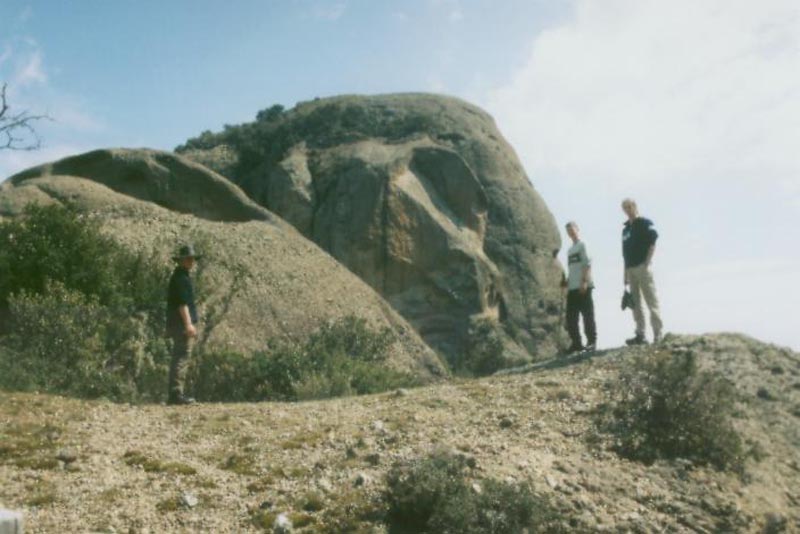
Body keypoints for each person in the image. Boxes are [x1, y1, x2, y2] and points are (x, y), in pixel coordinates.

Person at [621, 198, 662, 345]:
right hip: (630, 269)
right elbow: (624, 254)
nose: (627, 210)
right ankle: (640, 334)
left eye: (629, 206)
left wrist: (647, 261)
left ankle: (658, 334)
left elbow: (653, 240)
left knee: (651, 300)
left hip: (642, 267)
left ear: (635, 206)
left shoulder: (645, 223)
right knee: (635, 304)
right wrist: (625, 274)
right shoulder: (625, 229)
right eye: (625, 208)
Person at [166, 244, 201, 405]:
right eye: (188, 258)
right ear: (181, 260)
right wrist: (188, 324)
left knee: (179, 356)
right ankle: (176, 394)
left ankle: (176, 393)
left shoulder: (180, 276)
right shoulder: (181, 278)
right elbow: (182, 304)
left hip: (177, 323)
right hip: (181, 324)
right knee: (181, 356)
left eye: (192, 258)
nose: (191, 261)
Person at [563, 221, 597, 353]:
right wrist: (567, 282)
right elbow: (572, 268)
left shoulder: (583, 244)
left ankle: (592, 342)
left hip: (584, 286)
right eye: (568, 231)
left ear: (577, 229)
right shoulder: (570, 250)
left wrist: (584, 281)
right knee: (571, 318)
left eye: (572, 229)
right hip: (572, 288)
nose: (571, 232)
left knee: (587, 316)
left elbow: (588, 263)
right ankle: (576, 343)